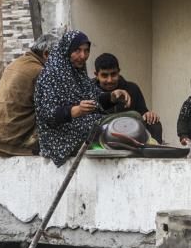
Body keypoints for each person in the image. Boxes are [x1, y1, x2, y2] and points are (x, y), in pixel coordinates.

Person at [34, 30, 131, 166]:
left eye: (86, 51)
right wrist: (76, 110)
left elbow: (95, 99)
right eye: (78, 51)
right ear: (66, 50)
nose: (83, 56)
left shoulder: (79, 74)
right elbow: (48, 115)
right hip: (62, 139)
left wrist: (113, 96)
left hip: (83, 127)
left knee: (131, 119)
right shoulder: (50, 75)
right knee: (123, 123)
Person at [0, 34, 59, 156]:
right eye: (60, 57)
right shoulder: (40, 72)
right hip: (3, 143)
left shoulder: (17, 63)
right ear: (46, 54)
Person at [93, 53, 164, 144]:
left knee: (154, 123)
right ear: (96, 75)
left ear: (119, 72)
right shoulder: (88, 91)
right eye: (104, 75)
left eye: (113, 74)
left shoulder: (132, 88)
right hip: (101, 135)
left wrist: (149, 115)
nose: (109, 80)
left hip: (130, 135)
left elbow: (142, 113)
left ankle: (155, 152)